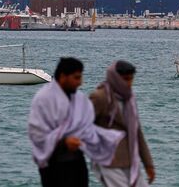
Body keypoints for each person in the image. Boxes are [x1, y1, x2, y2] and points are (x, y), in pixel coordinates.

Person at [28, 57, 125, 187]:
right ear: (63, 76)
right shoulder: (43, 99)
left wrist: (107, 145)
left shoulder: (80, 100)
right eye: (76, 78)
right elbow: (37, 134)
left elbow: (88, 130)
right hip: (53, 165)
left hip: (77, 163)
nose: (80, 82)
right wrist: (64, 142)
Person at [90, 61, 155, 187]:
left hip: (130, 161)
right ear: (115, 78)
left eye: (131, 79)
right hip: (108, 161)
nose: (129, 83)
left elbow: (137, 132)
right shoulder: (100, 97)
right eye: (125, 79)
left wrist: (148, 164)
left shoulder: (129, 99)